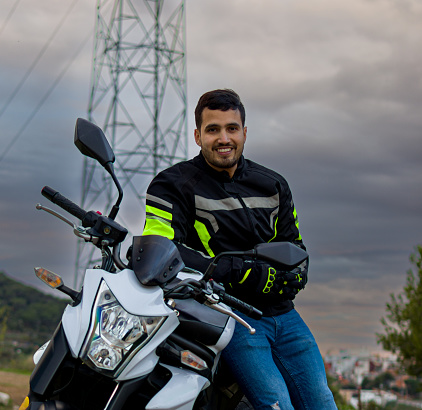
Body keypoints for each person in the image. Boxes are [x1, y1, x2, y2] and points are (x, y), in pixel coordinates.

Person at [142, 89, 337, 410]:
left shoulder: (273, 184)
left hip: (285, 316)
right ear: (197, 135)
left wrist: (296, 275)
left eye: (232, 128)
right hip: (229, 317)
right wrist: (243, 273)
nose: (224, 138)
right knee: (276, 406)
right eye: (213, 129)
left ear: (244, 132)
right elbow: (162, 248)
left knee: (322, 403)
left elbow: (295, 247)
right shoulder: (172, 184)